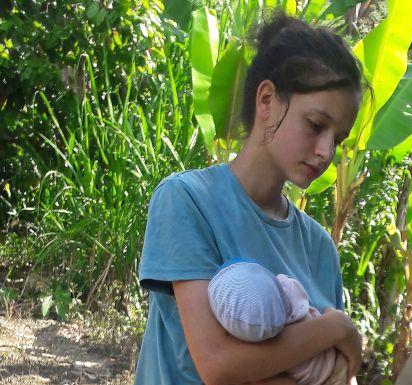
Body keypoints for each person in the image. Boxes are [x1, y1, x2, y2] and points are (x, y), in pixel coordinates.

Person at [134, 10, 365, 385]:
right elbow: (218, 365)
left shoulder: (320, 247)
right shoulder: (187, 201)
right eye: (316, 125)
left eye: (337, 139)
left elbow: (333, 374)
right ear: (267, 99)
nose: (326, 151)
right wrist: (338, 329)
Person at [207, 259, 336, 385]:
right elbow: (291, 286)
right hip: (334, 358)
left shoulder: (253, 346)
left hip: (315, 379)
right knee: (330, 311)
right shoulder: (290, 301)